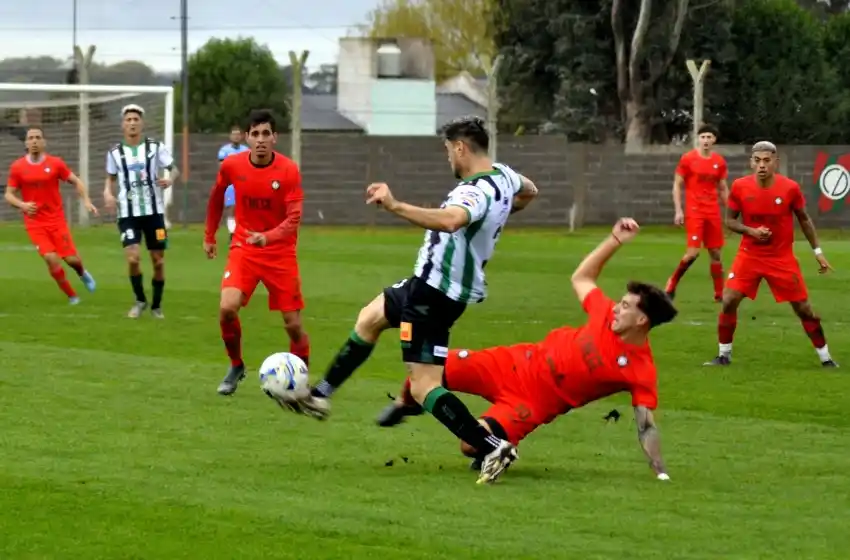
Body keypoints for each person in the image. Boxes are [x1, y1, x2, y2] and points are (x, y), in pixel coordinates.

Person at [284, 116, 539, 484]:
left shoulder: (475, 192)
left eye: (448, 151)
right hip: (427, 283)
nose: (448, 159)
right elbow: (530, 190)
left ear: (461, 148)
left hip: (435, 292)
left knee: (422, 386)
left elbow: (452, 221)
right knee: (370, 317)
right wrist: (502, 212)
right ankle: (321, 394)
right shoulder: (504, 176)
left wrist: (394, 205)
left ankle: (490, 446)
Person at [378, 219, 676, 483]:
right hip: (510, 363)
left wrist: (659, 468)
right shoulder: (603, 314)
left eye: (625, 306)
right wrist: (613, 241)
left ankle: (490, 451)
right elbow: (582, 278)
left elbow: (646, 426)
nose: (615, 307)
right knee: (427, 368)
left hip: (531, 402)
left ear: (641, 320)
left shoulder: (640, 370)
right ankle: (406, 406)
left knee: (468, 444)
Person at [204, 109, 311, 396]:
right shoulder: (232, 165)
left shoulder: (289, 170)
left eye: (266, 134)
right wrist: (209, 236)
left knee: (293, 325)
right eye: (255, 134)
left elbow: (294, 218)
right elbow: (216, 198)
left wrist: (269, 236)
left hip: (280, 254)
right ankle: (236, 365)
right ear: (247, 138)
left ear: (275, 138)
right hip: (245, 248)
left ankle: (301, 380)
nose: (260, 139)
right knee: (227, 308)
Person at [704, 141, 836, 367]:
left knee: (803, 308)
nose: (762, 165)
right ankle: (723, 355)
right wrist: (751, 231)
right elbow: (730, 221)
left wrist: (818, 252)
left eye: (766, 160)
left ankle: (826, 359)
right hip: (749, 255)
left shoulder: (790, 188)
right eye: (757, 160)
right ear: (751, 162)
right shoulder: (740, 187)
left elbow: (804, 219)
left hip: (781, 258)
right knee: (728, 300)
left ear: (776, 162)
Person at [4, 127, 98, 303]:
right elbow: (9, 194)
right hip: (35, 222)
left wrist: (86, 200)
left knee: (71, 260)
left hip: (56, 220)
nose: (34, 141)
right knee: (50, 258)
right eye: (30, 138)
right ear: (25, 143)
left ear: (44, 142)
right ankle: (72, 296)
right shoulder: (18, 167)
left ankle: (82, 273)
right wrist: (22, 205)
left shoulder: (55, 163)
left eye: (37, 137)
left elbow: (75, 181)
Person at [103, 104, 180, 319]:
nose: (132, 123)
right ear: (122, 125)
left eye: (136, 119)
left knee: (158, 261)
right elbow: (110, 178)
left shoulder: (155, 147)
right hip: (128, 214)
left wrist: (169, 179)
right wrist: (108, 193)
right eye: (128, 120)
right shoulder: (114, 153)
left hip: (154, 214)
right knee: (133, 258)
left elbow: (174, 169)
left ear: (142, 123)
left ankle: (156, 305)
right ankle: (139, 300)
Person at [666, 124, 729, 301]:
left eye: (709, 137)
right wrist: (678, 210)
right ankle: (672, 282)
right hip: (695, 211)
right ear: (698, 139)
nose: (706, 140)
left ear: (714, 140)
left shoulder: (719, 162)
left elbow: (723, 188)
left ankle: (719, 293)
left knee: (716, 253)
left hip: (713, 211)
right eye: (703, 137)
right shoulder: (688, 159)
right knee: (693, 253)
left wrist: (731, 211)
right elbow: (677, 185)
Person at [218, 125, 250, 241]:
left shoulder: (246, 150)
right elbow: (222, 167)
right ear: (230, 136)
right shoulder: (224, 150)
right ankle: (232, 233)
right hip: (231, 184)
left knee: (244, 208)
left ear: (241, 136)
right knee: (231, 208)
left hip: (244, 183)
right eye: (234, 134)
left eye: (238, 134)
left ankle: (242, 232)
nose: (236, 137)